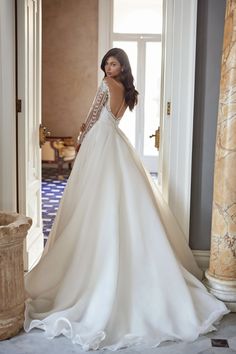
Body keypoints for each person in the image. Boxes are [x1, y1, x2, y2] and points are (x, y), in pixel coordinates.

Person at [24, 48, 230, 351]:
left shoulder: (106, 86)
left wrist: (81, 137)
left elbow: (94, 115)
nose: (109, 67)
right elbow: (112, 116)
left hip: (99, 142)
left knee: (95, 198)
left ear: (122, 67)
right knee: (120, 198)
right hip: (116, 142)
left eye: (114, 63)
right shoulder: (128, 91)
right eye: (107, 63)